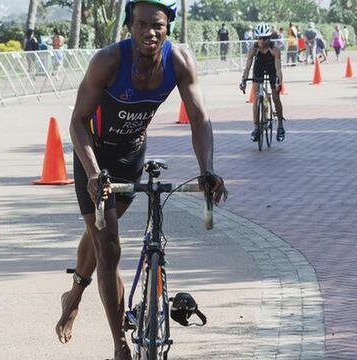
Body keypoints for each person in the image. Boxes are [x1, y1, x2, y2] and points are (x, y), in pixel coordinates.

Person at [56, 1, 228, 359]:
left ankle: (73, 293)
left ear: (168, 28)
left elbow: (199, 118)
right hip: (95, 155)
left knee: (100, 235)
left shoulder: (178, 61)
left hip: (132, 154)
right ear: (129, 26)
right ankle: (120, 344)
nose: (149, 32)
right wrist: (91, 173)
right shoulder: (108, 61)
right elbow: (76, 122)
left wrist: (206, 168)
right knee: (110, 246)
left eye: (158, 25)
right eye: (141, 25)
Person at [239, 23, 287, 142]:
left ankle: (280, 126)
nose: (262, 41)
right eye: (259, 38)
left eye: (265, 38)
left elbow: (278, 69)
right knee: (256, 98)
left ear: (269, 38)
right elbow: (247, 68)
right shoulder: (253, 49)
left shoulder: (274, 49)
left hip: (272, 68)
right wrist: (243, 80)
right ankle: (256, 128)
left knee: (276, 97)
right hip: (259, 67)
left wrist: (279, 81)